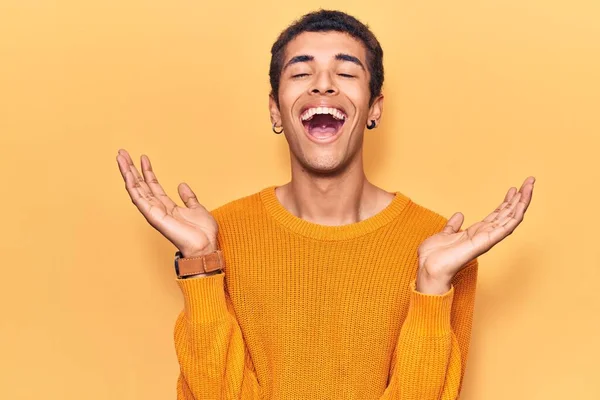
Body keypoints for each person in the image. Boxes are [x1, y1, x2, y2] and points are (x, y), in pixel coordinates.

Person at [116, 9, 535, 400]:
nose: (323, 83)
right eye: (301, 72)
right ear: (275, 110)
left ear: (374, 108)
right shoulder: (215, 237)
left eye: (346, 71)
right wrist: (200, 262)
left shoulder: (441, 248)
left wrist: (432, 283)